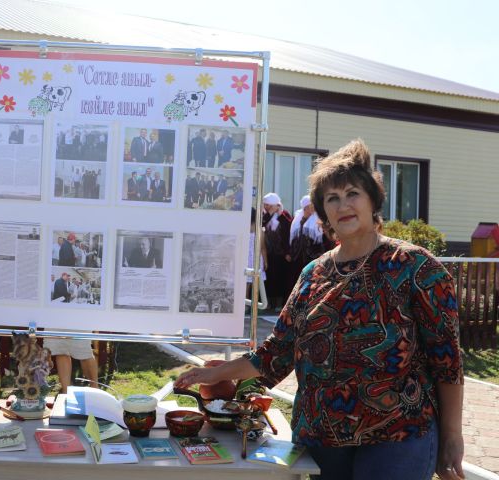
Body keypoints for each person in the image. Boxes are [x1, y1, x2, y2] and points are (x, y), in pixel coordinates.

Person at [176, 139, 464, 480]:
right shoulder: (314, 274)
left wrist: (452, 434)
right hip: (322, 440)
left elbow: (447, 359)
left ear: (373, 200)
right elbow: (275, 354)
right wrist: (216, 373)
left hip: (397, 437)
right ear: (323, 212)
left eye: (353, 193)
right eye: (332, 198)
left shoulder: (415, 266)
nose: (344, 204)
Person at [288, 195, 334, 287]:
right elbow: (292, 239)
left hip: (314, 256)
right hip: (298, 257)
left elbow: (326, 239)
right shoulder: (297, 220)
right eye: (311, 206)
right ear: (305, 207)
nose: (313, 208)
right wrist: (290, 252)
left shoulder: (318, 219)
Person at [262, 192, 293, 310]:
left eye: (269, 205)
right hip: (269, 253)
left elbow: (287, 232)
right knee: (269, 278)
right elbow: (263, 224)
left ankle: (279, 303)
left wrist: (287, 252)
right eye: (265, 205)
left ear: (276, 205)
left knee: (280, 278)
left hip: (281, 254)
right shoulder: (266, 215)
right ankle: (268, 302)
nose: (266, 208)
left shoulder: (284, 215)